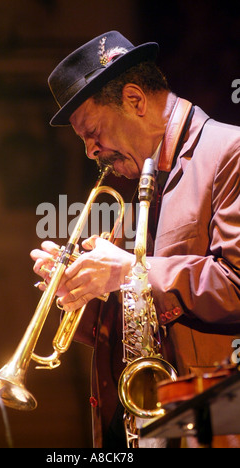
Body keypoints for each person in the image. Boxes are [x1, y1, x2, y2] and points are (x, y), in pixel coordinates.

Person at [30, 31, 240, 448]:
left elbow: (235, 285)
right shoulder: (144, 182)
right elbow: (141, 324)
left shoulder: (229, 152)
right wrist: (83, 292)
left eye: (92, 132)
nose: (91, 152)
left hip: (214, 427)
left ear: (135, 100)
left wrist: (131, 271)